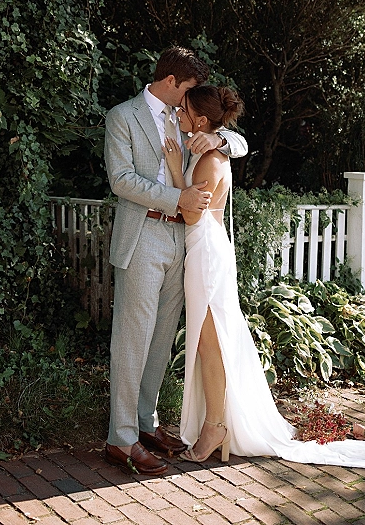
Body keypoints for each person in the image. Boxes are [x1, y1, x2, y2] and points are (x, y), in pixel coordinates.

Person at [162, 85, 365, 490]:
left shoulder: (210, 160)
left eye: (183, 110)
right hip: (206, 251)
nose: (178, 114)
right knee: (208, 341)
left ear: (201, 120)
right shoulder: (210, 152)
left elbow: (188, 211)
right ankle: (215, 424)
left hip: (205, 254)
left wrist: (171, 169)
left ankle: (216, 427)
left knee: (210, 342)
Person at [103, 47, 248, 476]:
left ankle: (145, 423)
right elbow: (121, 179)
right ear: (171, 82)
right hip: (143, 234)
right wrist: (177, 198)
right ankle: (121, 438)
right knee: (133, 338)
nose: (191, 97)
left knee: (162, 338)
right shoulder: (122, 116)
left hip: (181, 239)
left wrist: (220, 138)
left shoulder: (187, 116)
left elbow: (236, 143)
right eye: (187, 88)